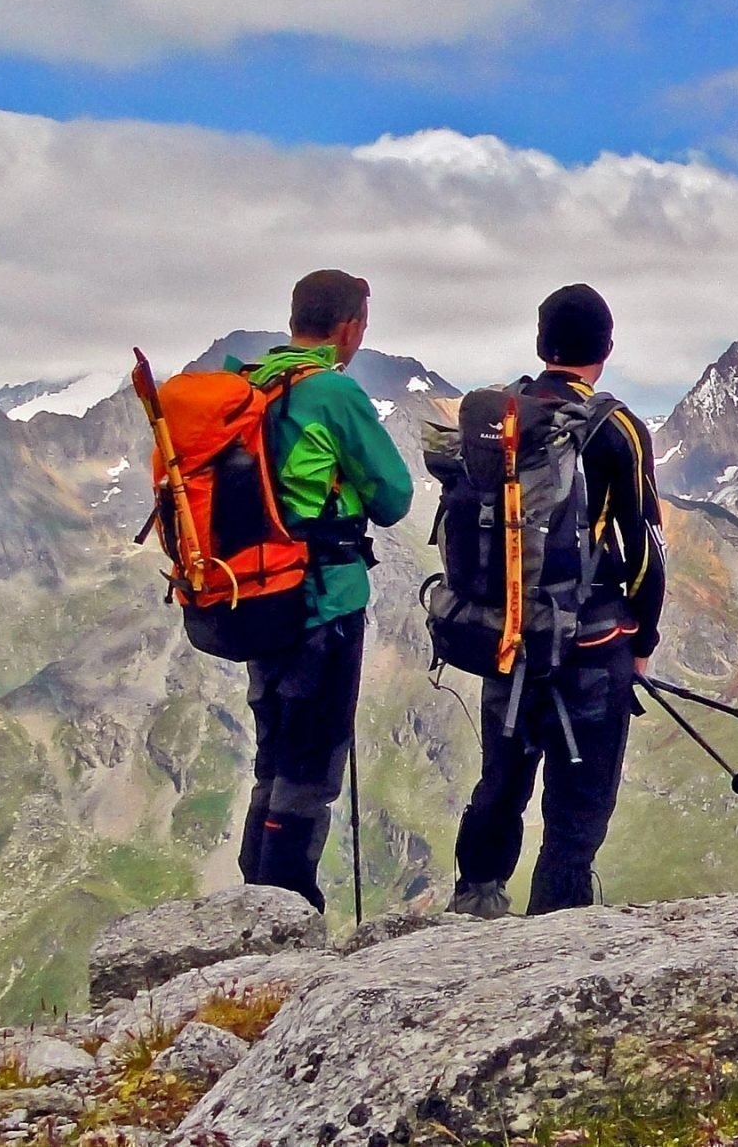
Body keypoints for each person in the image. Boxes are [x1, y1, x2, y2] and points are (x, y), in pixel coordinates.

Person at [449, 284, 666, 918]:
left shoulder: (500, 418)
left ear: (541, 344)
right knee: (576, 814)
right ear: (606, 348)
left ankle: (474, 905)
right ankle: (556, 945)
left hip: (508, 637)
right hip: (591, 648)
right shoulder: (614, 426)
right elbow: (645, 548)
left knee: (501, 781)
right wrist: (643, 644)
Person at [236, 269, 415, 912]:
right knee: (311, 760)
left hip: (254, 593)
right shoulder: (333, 393)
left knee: (273, 751)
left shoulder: (249, 383)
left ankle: (253, 895)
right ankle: (286, 904)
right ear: (350, 327)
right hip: (324, 599)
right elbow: (393, 498)